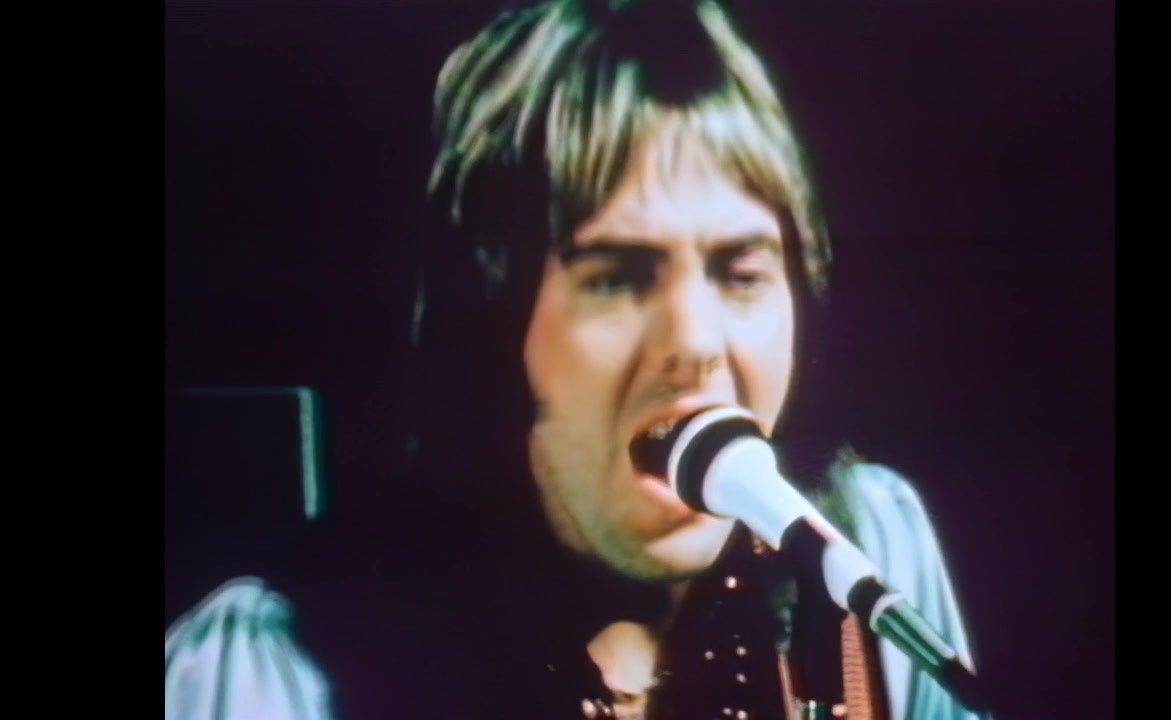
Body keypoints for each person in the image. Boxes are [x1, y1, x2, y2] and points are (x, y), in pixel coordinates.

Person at [165, 1, 983, 718]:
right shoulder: (274, 674)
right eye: (619, 278)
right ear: (492, 329)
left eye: (742, 274)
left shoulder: (869, 556)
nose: (696, 343)